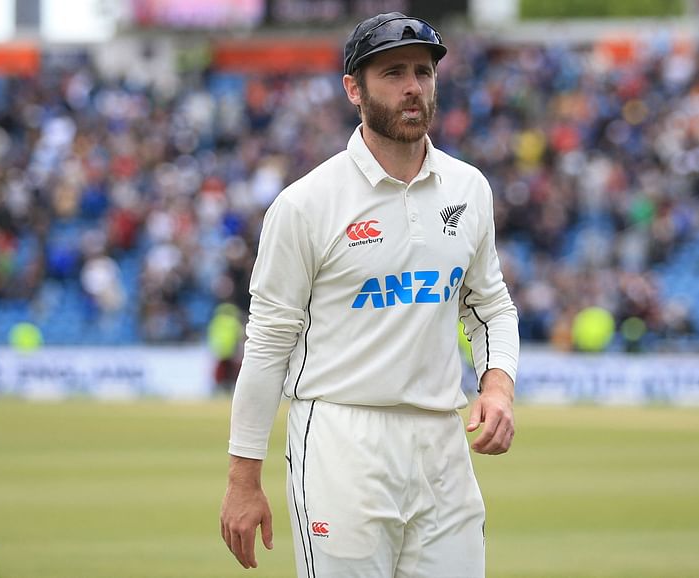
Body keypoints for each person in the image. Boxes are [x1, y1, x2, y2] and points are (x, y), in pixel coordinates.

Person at [220, 12, 520, 577]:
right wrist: (243, 480)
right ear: (353, 89)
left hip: (441, 442)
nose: (413, 87)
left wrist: (498, 385)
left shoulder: (469, 188)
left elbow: (491, 305)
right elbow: (266, 347)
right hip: (340, 441)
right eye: (393, 73)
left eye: (423, 72)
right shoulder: (306, 205)